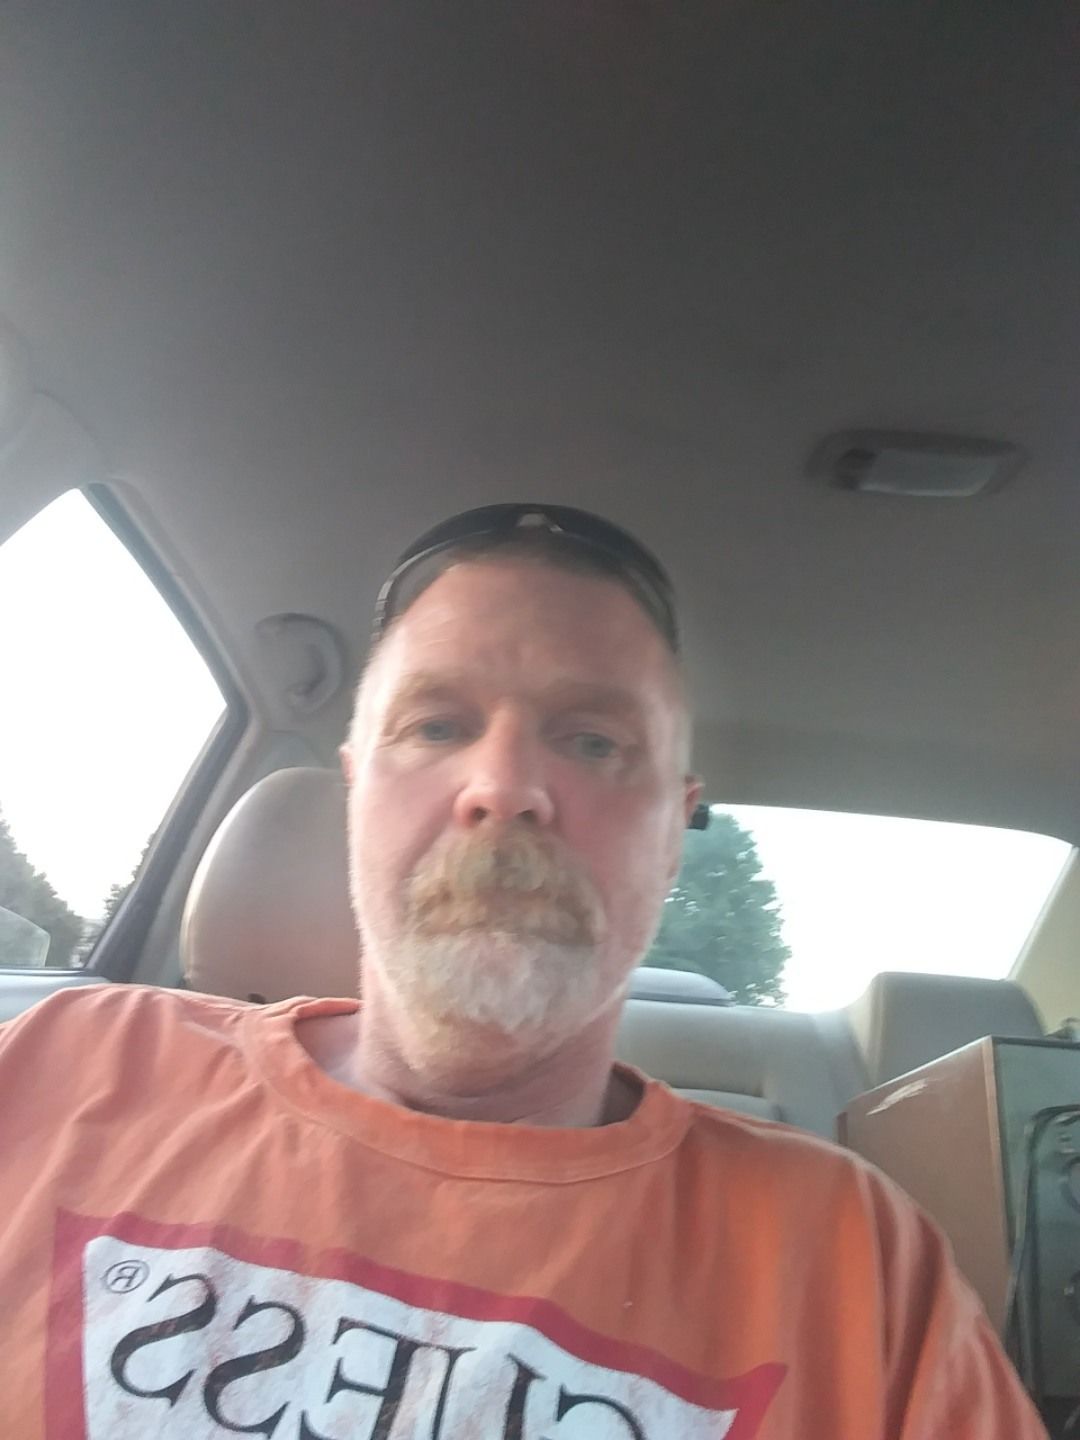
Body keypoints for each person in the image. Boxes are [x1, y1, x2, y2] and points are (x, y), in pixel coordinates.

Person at [0, 503, 1047, 1439]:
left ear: (675, 833)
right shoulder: (64, 1065)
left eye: (593, 742)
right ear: (356, 795)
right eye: (437, 726)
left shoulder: (851, 1258)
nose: (504, 788)